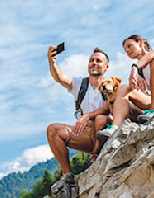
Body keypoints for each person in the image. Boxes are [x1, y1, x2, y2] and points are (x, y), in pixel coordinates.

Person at [96, 35, 154, 141]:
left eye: (129, 46)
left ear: (140, 43)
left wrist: (135, 68)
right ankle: (114, 127)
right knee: (123, 88)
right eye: (125, 49)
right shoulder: (140, 73)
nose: (127, 50)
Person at [47, 46, 111, 184]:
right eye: (91, 60)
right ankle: (68, 174)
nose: (94, 63)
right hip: (85, 133)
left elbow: (107, 109)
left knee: (100, 118)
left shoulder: (110, 85)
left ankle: (95, 157)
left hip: (104, 130)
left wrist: (87, 116)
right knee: (53, 129)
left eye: (98, 61)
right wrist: (52, 63)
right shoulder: (80, 84)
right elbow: (59, 77)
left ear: (106, 67)